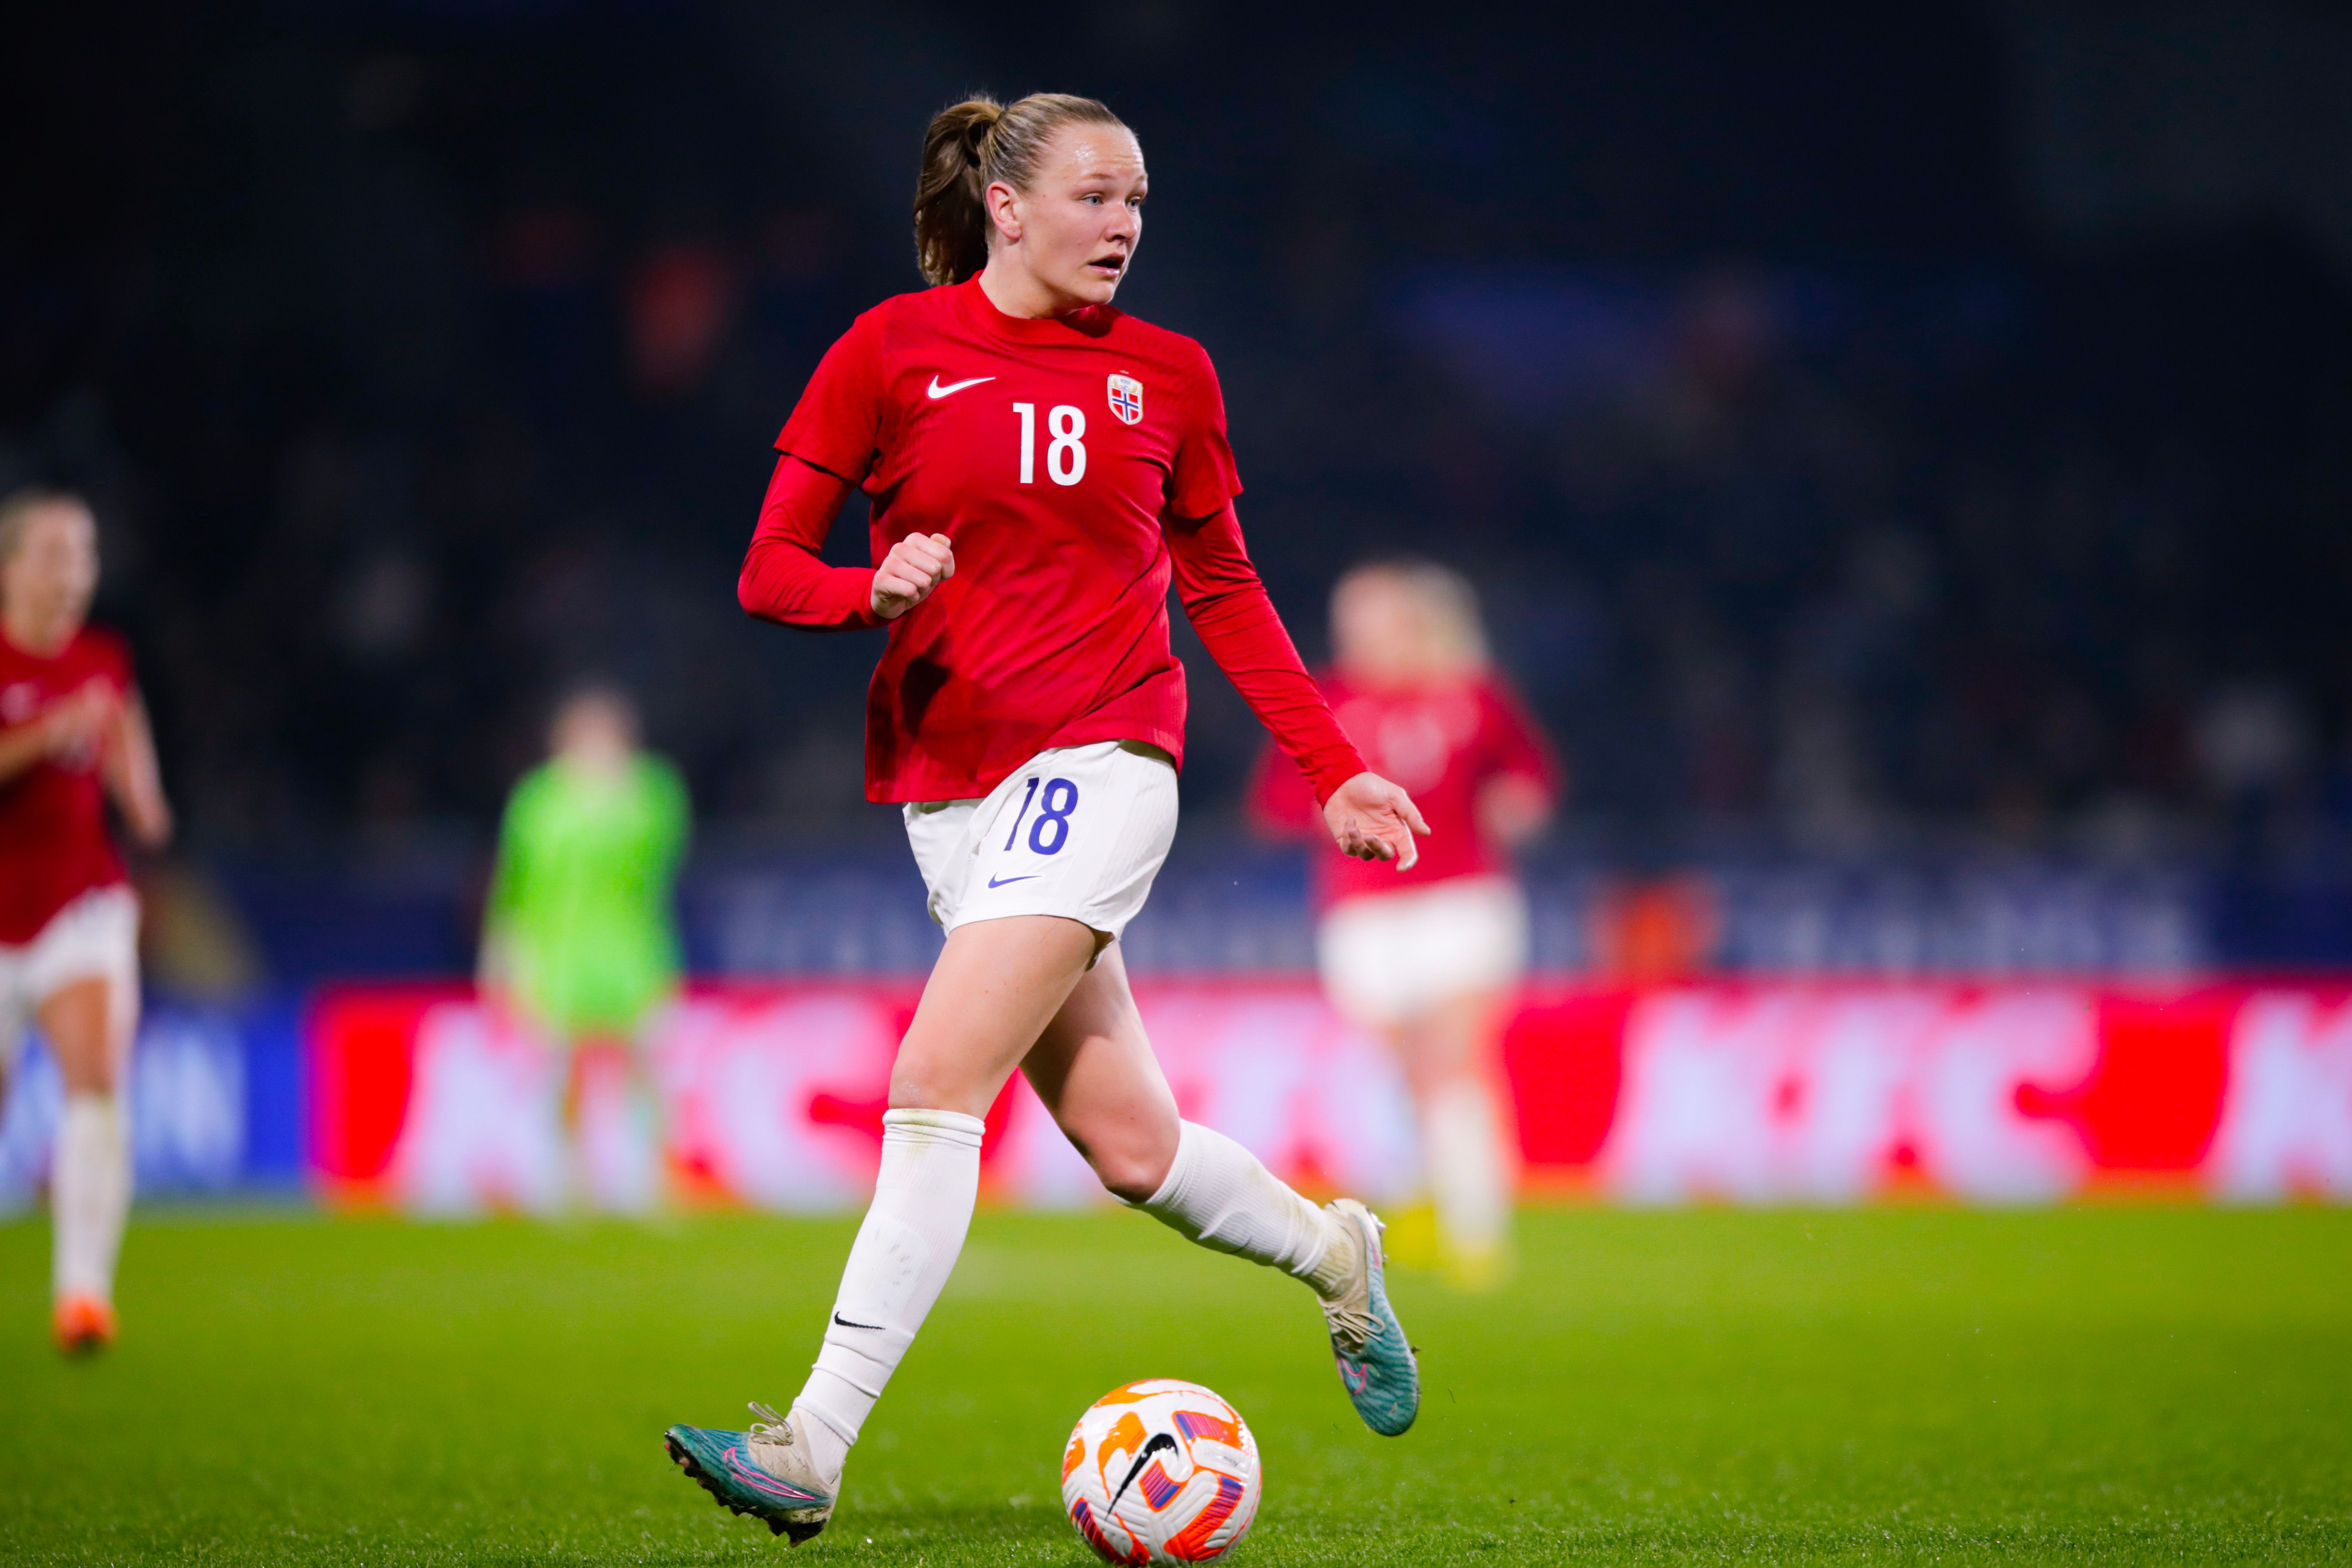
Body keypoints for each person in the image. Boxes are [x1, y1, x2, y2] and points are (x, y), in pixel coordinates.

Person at [662, 92, 1431, 1543]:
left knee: (932, 1079)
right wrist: (866, 591)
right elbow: (770, 569)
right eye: (1093, 196)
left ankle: (809, 1444)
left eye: (1136, 201)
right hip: (947, 788)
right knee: (1134, 1149)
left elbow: (1223, 587)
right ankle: (1337, 1252)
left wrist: (1331, 765)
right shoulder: (890, 351)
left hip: (1107, 755)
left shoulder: (1168, 374)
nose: (1123, 225)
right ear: (1005, 207)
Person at [1253, 560, 1561, 1288]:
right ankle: (1416, 1199)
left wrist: (1518, 804)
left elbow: (1529, 777)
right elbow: (1276, 801)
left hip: (1462, 900)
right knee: (1400, 1069)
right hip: (1365, 910)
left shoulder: (1472, 695)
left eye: (1374, 618)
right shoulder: (1328, 701)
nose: (1358, 634)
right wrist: (1325, 813)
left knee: (1452, 1061)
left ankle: (1478, 1231)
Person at [0, 488, 172, 1352]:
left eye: (86, 554)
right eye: (57, 553)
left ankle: (83, 1294)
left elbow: (145, 804)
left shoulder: (106, 658)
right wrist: (49, 731)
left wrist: (138, 790)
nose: (75, 572)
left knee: (96, 1081)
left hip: (81, 901)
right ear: (11, 567)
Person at [478, 683, 688, 1212]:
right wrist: (503, 950)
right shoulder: (538, 801)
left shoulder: (651, 791)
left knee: (646, 1069)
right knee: (560, 1073)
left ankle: (651, 1181)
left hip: (633, 949)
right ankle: (569, 1182)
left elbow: (663, 850)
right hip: (559, 953)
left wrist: (614, 797)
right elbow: (514, 883)